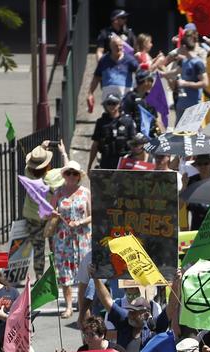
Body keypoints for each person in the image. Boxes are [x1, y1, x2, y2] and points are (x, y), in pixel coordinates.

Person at [50, 160, 92, 321]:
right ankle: (68, 306)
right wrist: (53, 214)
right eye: (69, 173)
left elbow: (92, 214)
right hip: (63, 238)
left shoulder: (85, 192)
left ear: (79, 176)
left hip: (82, 238)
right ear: (65, 175)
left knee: (85, 271)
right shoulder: (58, 192)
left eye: (75, 173)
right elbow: (50, 212)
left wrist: (80, 222)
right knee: (64, 272)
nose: (72, 176)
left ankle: (83, 305)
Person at [89, 93, 136, 171]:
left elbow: (134, 143)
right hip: (106, 161)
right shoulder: (101, 122)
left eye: (114, 103)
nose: (111, 106)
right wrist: (90, 165)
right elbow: (95, 144)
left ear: (119, 104)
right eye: (109, 103)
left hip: (124, 161)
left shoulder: (128, 121)